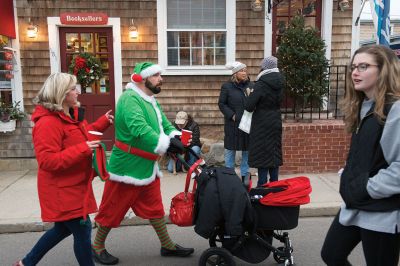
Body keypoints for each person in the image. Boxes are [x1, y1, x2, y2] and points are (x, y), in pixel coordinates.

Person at [92, 62, 194, 265]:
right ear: (141, 78)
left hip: (147, 167)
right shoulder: (130, 99)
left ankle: (167, 245)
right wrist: (166, 145)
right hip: (127, 168)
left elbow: (163, 124)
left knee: (155, 208)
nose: (160, 79)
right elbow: (140, 130)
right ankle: (97, 246)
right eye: (156, 75)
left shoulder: (150, 99)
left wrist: (176, 136)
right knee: (112, 209)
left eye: (160, 75)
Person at [13, 73, 114, 266]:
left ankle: (26, 263)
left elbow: (79, 137)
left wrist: (101, 124)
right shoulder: (48, 122)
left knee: (63, 229)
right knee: (82, 231)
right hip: (62, 190)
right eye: (73, 88)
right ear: (61, 93)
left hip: (74, 185)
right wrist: (83, 149)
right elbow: (47, 161)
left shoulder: (69, 115)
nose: (78, 92)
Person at [321, 45, 400, 266]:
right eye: (354, 67)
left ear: (383, 70)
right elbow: (367, 153)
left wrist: (367, 187)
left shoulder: (396, 110)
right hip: (356, 202)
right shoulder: (364, 106)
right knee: (332, 255)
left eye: (363, 66)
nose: (355, 72)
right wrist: (349, 173)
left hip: (381, 210)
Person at [244, 56, 284, 187]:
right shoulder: (281, 81)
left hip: (262, 122)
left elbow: (249, 106)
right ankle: (275, 185)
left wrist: (250, 95)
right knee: (274, 152)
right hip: (275, 120)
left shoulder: (261, 84)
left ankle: (262, 186)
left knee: (262, 153)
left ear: (264, 67)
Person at [218, 61, 254, 181]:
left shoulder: (251, 86)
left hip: (247, 123)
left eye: (245, 70)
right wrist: (231, 115)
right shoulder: (227, 86)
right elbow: (222, 104)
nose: (244, 73)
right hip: (232, 124)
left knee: (246, 150)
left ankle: (245, 176)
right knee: (230, 150)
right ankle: (229, 177)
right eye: (242, 71)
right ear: (235, 73)